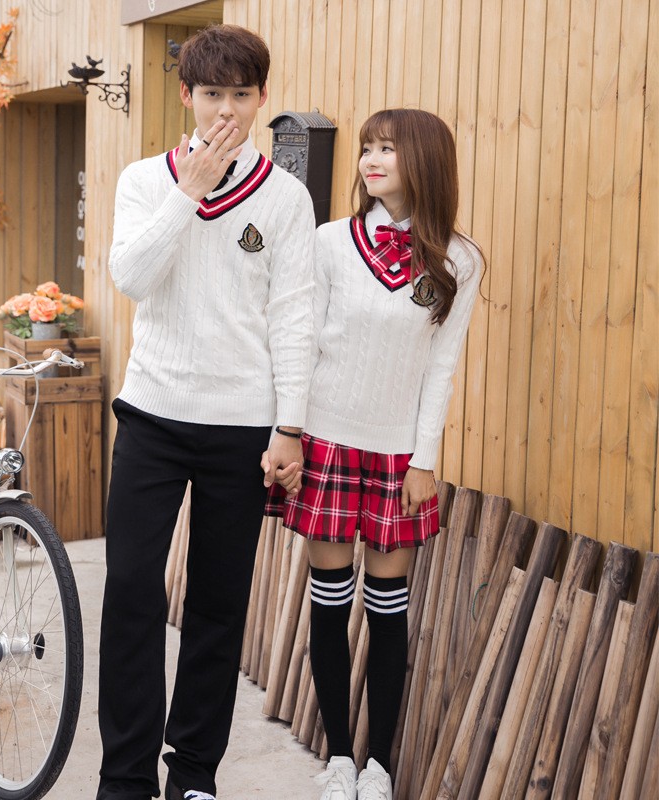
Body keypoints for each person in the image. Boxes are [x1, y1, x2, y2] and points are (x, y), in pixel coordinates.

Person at [98, 24, 315, 800]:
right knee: (131, 592)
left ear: (261, 98)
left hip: (243, 428)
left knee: (219, 605)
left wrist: (289, 427)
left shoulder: (286, 198)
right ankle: (125, 779)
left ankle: (193, 773)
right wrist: (187, 191)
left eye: (241, 95)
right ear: (187, 96)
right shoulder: (142, 181)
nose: (226, 110)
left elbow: (294, 317)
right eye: (212, 94)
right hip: (153, 415)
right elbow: (132, 277)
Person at [266, 108, 483, 800]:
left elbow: (441, 368)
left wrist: (424, 460)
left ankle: (378, 766)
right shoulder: (331, 242)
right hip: (327, 443)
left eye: (387, 147)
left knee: (389, 614)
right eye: (367, 147)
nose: (371, 158)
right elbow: (302, 341)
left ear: (424, 160)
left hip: (397, 458)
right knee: (329, 607)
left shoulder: (459, 260)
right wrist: (288, 430)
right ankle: (338, 759)